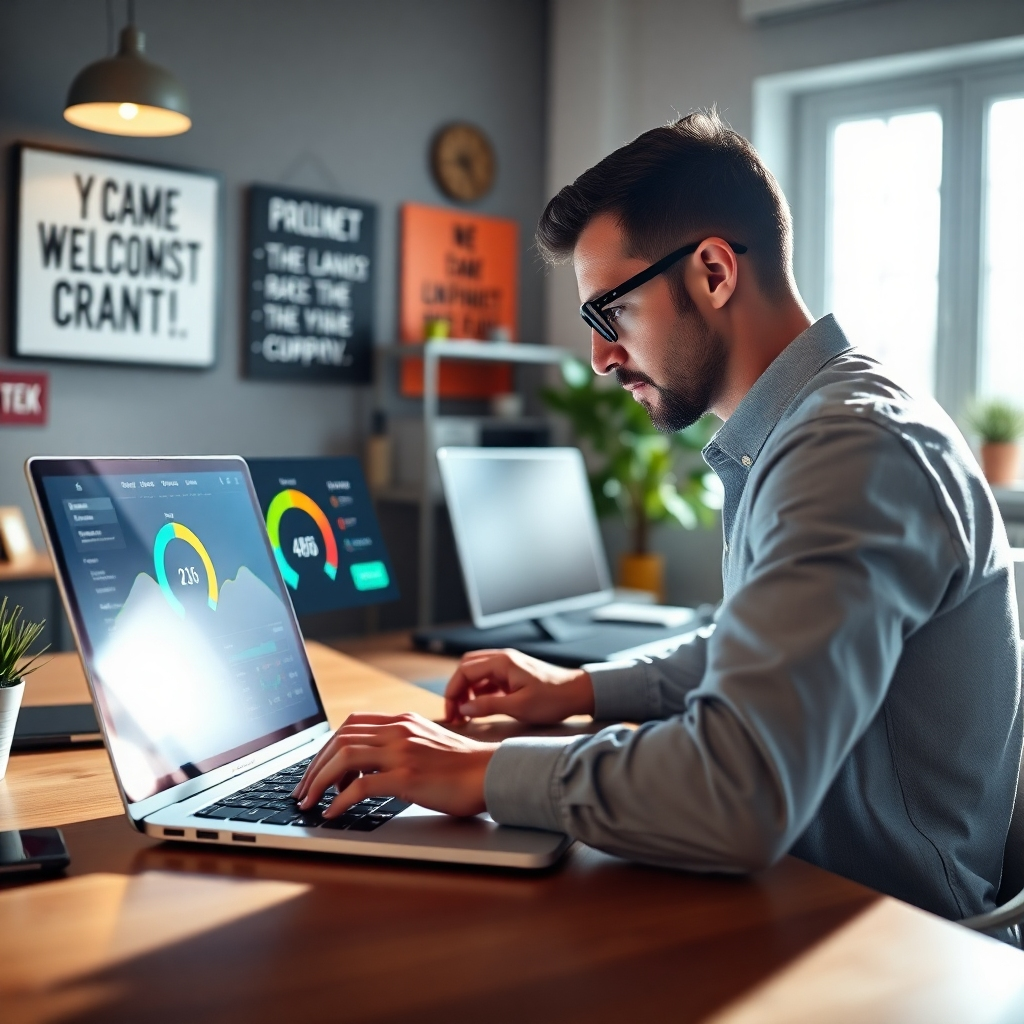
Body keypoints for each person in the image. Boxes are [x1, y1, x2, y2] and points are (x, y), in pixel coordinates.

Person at [294, 111, 1021, 921]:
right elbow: (760, 643)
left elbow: (735, 788)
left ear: (713, 271)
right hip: (813, 892)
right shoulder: (813, 427)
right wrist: (576, 690)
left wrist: (475, 774)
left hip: (890, 939)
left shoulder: (847, 449)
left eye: (611, 313)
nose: (600, 356)